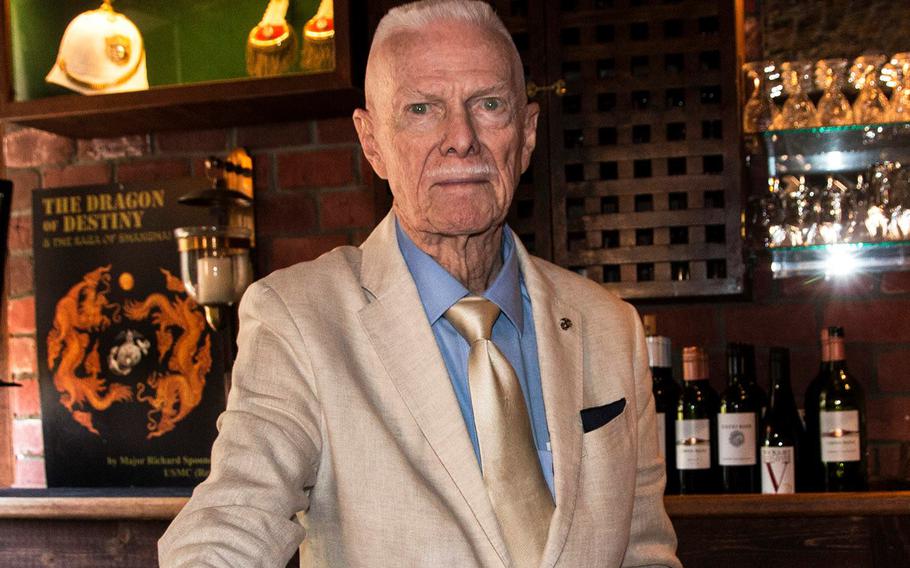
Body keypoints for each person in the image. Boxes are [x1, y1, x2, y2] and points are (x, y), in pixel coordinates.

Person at [158, 1, 680, 566]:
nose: (461, 138)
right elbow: (234, 516)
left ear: (526, 134)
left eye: (488, 104)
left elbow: (644, 551)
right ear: (372, 140)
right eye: (422, 109)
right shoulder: (300, 318)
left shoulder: (611, 327)